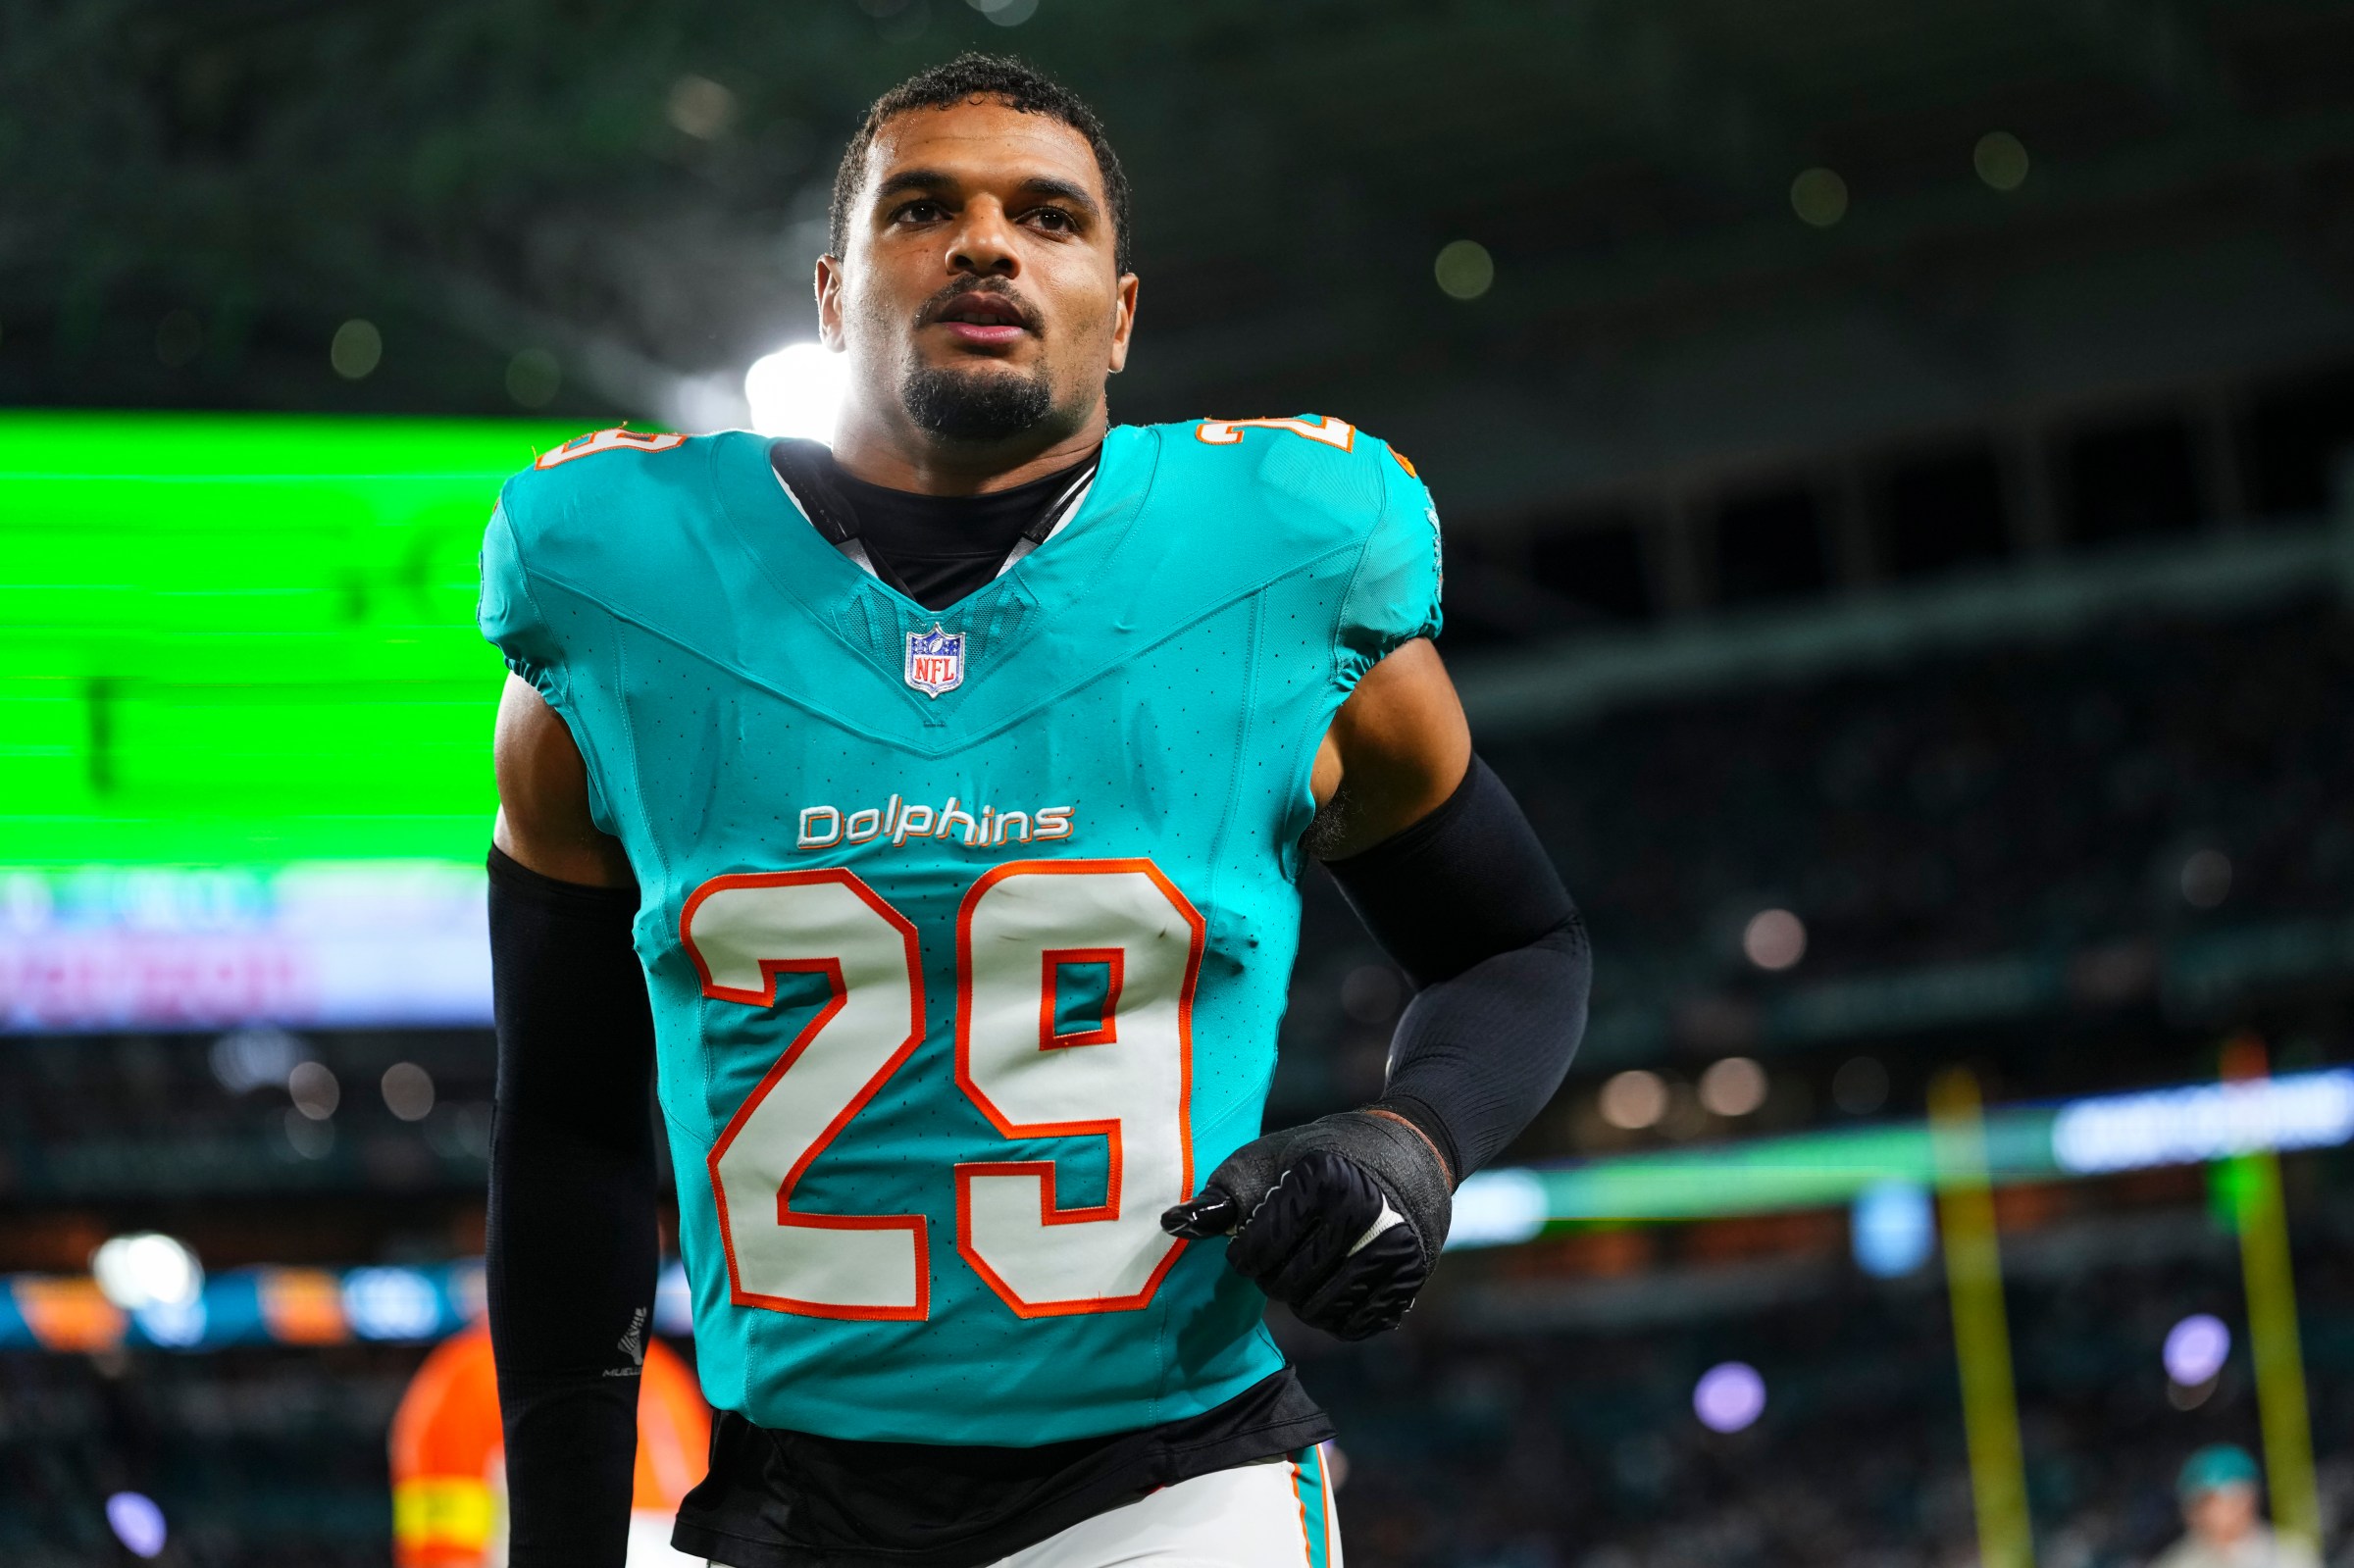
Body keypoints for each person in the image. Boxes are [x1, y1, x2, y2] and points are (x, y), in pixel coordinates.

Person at [480, 51, 1590, 1568]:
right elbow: (565, 1131)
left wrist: (1414, 1134)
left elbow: (1517, 944)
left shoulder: (1286, 557)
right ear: (830, 290)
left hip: (1172, 1483)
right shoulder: (618, 590)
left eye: (1048, 216)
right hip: (778, 1501)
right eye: (923, 207)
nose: (986, 242)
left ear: (1119, 312)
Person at [2150, 1445, 2320, 1568]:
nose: (2238, 1507)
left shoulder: (2289, 1554)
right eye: (2215, 1501)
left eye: (2241, 1497)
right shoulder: (2178, 1562)